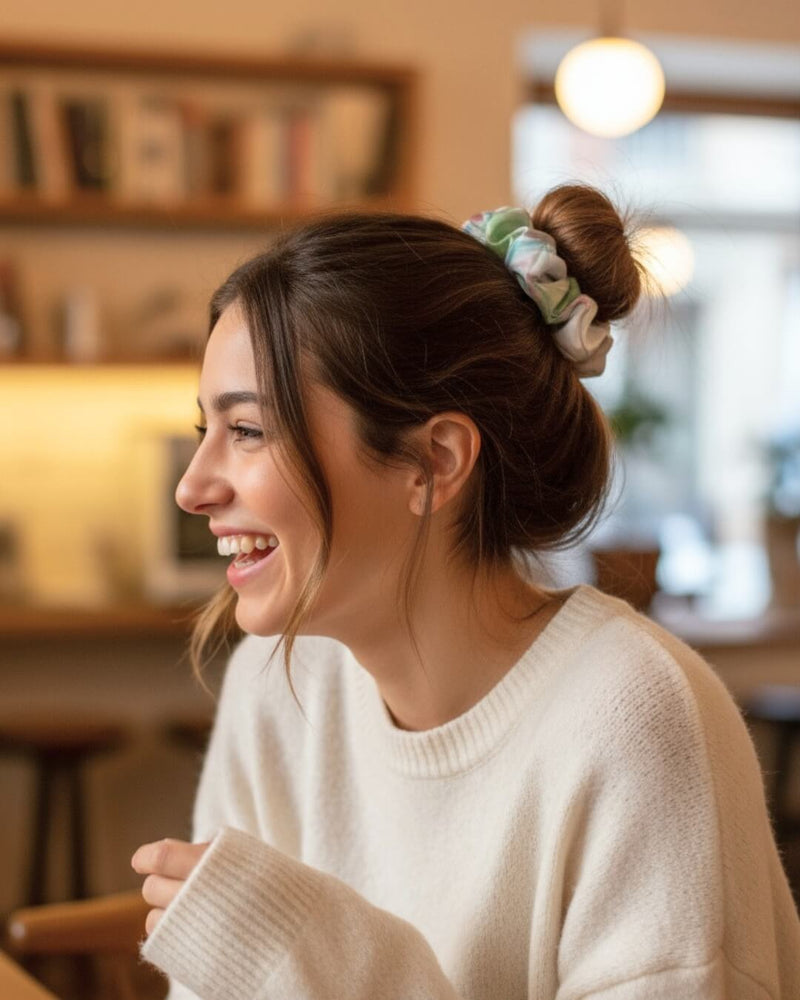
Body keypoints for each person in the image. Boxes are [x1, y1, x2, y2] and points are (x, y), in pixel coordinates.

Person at [131, 185, 800, 1000]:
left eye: (247, 431)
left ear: (435, 462)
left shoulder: (637, 719)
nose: (193, 488)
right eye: (209, 431)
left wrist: (316, 959)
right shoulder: (276, 683)